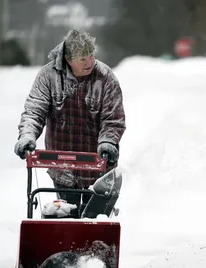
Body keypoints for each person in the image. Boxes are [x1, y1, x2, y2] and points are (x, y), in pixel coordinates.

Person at [13, 29, 126, 210]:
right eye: (82, 59)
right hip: (62, 165)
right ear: (68, 59)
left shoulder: (105, 78)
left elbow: (113, 118)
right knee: (67, 216)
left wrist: (108, 142)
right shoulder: (48, 76)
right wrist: (27, 136)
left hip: (98, 165)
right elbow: (34, 110)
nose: (89, 62)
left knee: (95, 221)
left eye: (91, 56)